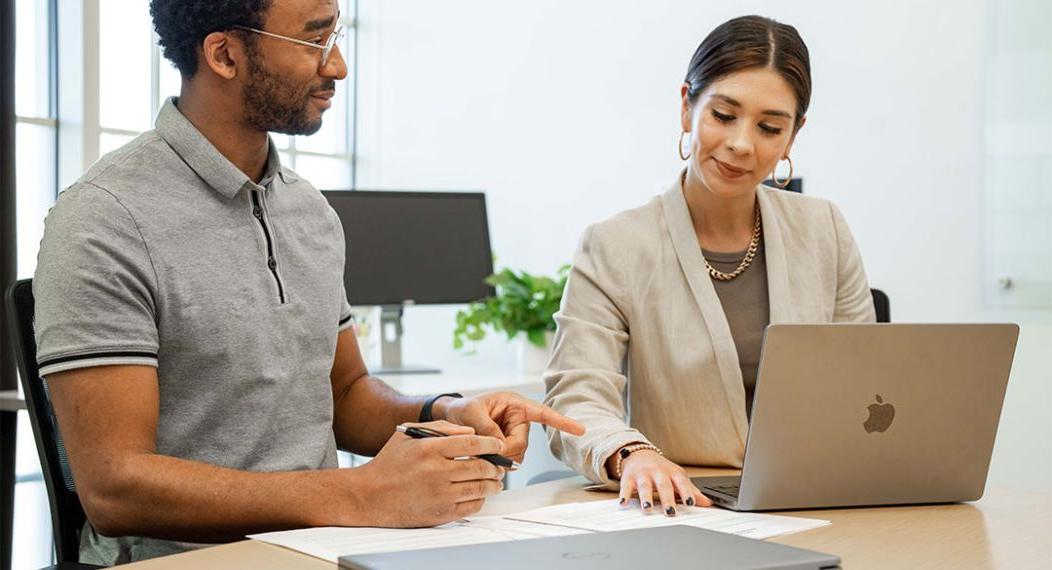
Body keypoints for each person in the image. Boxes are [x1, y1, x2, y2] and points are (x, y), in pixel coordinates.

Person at [33, 0, 583, 564]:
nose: (338, 65)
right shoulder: (104, 218)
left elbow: (343, 396)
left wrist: (444, 412)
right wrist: (359, 495)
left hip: (322, 547)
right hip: (180, 559)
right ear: (224, 54)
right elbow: (114, 486)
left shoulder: (309, 210)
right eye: (315, 40)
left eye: (336, 36)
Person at [544, 15, 874, 518]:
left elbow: (865, 380)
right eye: (723, 115)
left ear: (792, 136)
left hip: (817, 497)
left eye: (769, 127)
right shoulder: (615, 245)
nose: (742, 143)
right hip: (683, 504)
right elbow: (576, 396)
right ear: (686, 107)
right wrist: (631, 454)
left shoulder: (823, 228)